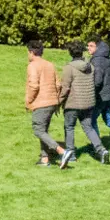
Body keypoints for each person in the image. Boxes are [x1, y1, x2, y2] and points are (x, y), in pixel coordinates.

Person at [24, 40, 72, 168]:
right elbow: (58, 84)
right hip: (52, 102)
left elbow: (34, 86)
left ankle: (62, 151)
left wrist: (28, 101)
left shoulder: (32, 66)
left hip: (41, 103)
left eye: (28, 53)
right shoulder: (50, 65)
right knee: (43, 130)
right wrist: (56, 101)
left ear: (31, 52)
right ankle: (45, 159)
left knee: (38, 130)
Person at [58, 41, 107, 166]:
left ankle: (71, 154)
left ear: (70, 53)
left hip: (73, 104)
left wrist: (58, 102)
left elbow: (65, 88)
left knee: (69, 127)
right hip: (89, 103)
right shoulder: (90, 66)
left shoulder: (69, 68)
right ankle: (101, 150)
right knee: (88, 128)